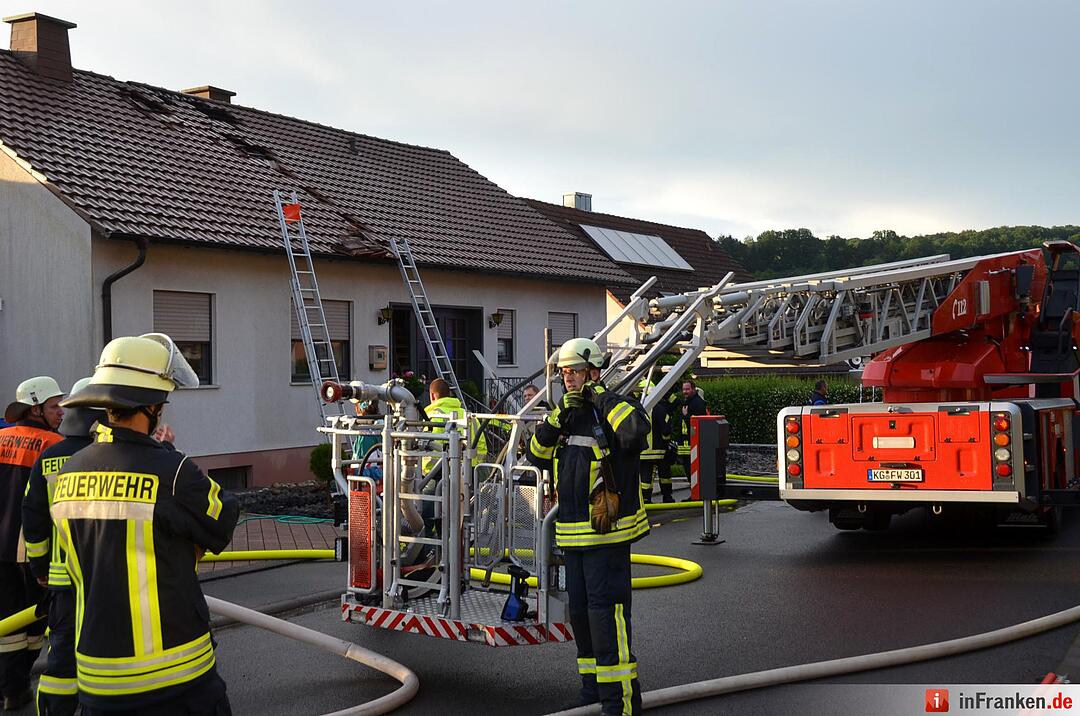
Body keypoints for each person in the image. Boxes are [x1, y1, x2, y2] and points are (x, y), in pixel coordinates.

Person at [53, 333, 239, 715]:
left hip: (96, 677)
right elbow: (223, 520)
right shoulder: (172, 472)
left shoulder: (67, 473)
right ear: (152, 405)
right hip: (177, 677)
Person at [527, 337, 650, 715]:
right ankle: (592, 689)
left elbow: (633, 434)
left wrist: (600, 398)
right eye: (564, 373)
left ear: (594, 372)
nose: (569, 380)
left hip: (609, 537)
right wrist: (557, 415)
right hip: (572, 535)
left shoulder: (618, 406)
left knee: (605, 615)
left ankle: (621, 703)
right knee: (579, 614)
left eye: (575, 372)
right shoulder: (565, 413)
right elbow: (535, 453)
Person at [22, 377, 102, 716]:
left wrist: (40, 570)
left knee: (62, 659)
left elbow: (34, 520)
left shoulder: (49, 457)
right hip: (104, 576)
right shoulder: (108, 455)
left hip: (62, 582)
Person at [0, 376, 65, 711]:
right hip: (31, 551)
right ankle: (16, 686)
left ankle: (9, 686)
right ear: (36, 408)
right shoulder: (54, 446)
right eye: (55, 407)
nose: (61, 412)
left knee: (6, 621)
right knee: (35, 620)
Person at [635, 378, 678, 503]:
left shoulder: (638, 408)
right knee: (665, 475)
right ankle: (667, 497)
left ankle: (646, 499)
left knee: (645, 477)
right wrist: (666, 440)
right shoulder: (659, 408)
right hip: (660, 450)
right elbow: (666, 428)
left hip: (644, 451)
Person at [677, 379, 708, 480]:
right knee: (688, 469)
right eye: (684, 389)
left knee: (693, 469)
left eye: (687, 389)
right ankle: (693, 491)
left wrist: (686, 416)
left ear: (693, 389)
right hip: (686, 443)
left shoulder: (698, 403)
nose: (685, 391)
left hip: (693, 442)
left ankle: (696, 493)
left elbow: (699, 422)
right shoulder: (687, 402)